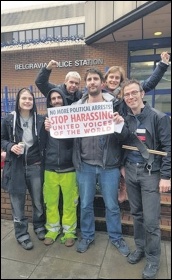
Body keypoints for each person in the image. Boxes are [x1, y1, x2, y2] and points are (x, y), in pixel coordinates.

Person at [72, 68, 130, 256]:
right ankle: (87, 236)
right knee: (86, 204)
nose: (92, 82)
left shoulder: (115, 104)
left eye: (96, 79)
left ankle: (116, 237)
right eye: (89, 79)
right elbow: (66, 130)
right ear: (86, 83)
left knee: (112, 205)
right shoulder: (77, 106)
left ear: (101, 82)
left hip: (109, 165)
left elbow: (125, 134)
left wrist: (120, 122)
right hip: (85, 164)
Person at [121, 78, 171, 279]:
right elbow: (121, 143)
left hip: (151, 174)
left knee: (151, 221)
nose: (131, 97)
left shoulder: (159, 118)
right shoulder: (125, 119)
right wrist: (123, 167)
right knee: (137, 215)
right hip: (130, 171)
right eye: (127, 95)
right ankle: (140, 248)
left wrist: (166, 176)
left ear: (142, 94)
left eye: (134, 93)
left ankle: (153, 258)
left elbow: (169, 148)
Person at [104, 51, 170, 202]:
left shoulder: (125, 95)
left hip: (126, 132)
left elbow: (149, 83)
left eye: (117, 78)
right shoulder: (99, 96)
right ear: (106, 80)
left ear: (121, 81)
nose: (114, 80)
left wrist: (162, 65)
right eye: (111, 77)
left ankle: (123, 186)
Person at [1, 88, 47, 250]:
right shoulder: (9, 120)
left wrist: (48, 129)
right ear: (18, 101)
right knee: (18, 204)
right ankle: (21, 234)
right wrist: (10, 146)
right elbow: (2, 139)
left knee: (38, 201)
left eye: (30, 98)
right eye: (24, 98)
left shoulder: (40, 120)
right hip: (16, 168)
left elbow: (47, 140)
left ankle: (39, 227)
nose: (27, 101)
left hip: (35, 166)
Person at [43, 87, 78, 247]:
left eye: (59, 98)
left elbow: (77, 141)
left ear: (63, 100)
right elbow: (40, 144)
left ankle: (69, 232)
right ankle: (52, 230)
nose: (56, 101)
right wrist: (45, 130)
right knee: (51, 203)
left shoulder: (72, 119)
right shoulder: (45, 120)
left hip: (69, 169)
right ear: (49, 102)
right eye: (53, 99)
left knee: (70, 204)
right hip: (49, 169)